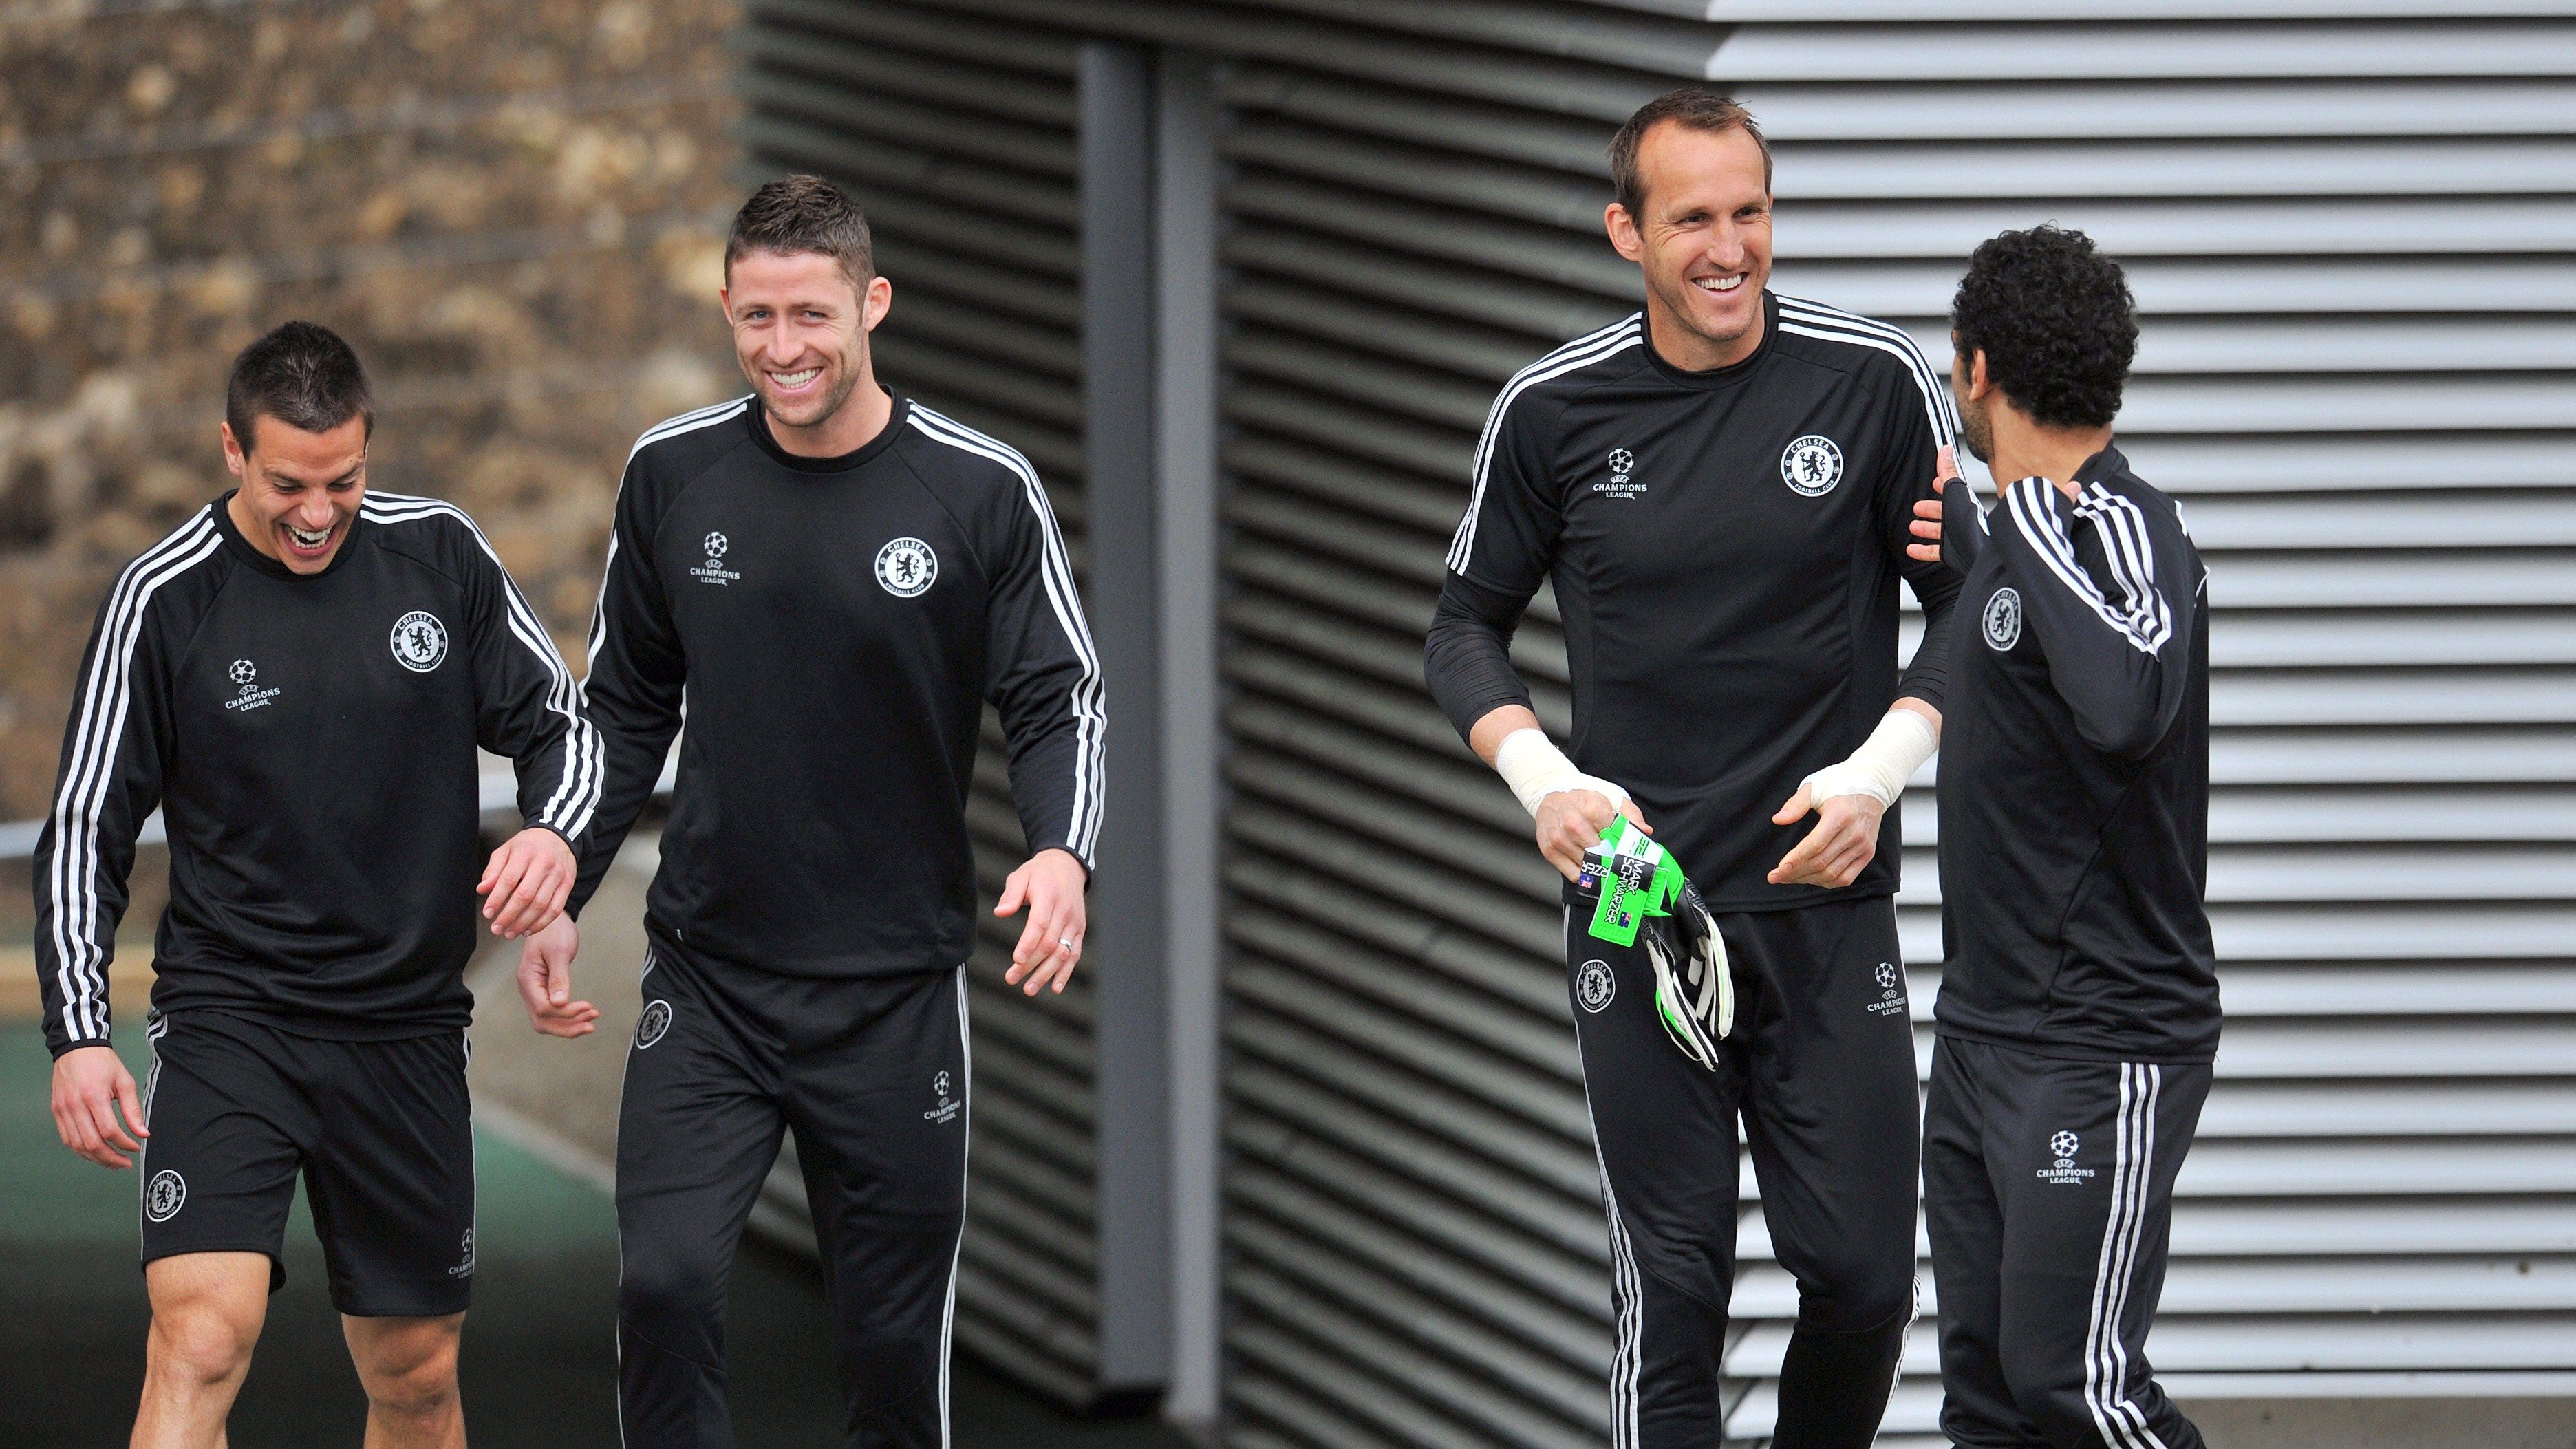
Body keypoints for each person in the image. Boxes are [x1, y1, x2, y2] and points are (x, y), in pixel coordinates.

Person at [1423, 89, 1962, 1448]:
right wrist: (1546, 783)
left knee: (1864, 1280)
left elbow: (1969, 609)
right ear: (1628, 232)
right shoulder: (1552, 410)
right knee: (1673, 1295)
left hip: (1827, 909)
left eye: (1751, 213)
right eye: (1694, 221)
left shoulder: (1871, 379)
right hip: (1637, 901)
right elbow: (1460, 629)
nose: (1729, 249)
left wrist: (1879, 776)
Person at [533, 173, 1102, 1448]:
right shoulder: (673, 474)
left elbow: (1061, 696)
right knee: (668, 1283)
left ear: (872, 304)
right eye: (754, 318)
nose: (782, 348)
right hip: (710, 979)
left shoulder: (980, 490)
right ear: (728, 313)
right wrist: (565, 879)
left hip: (893, 988)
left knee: (892, 1345)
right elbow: (623, 706)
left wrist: (1064, 852)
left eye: (810, 315)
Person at [34, 321, 599, 1448]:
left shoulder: (440, 556)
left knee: (418, 1375)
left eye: (343, 479)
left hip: (406, 1028)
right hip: (233, 1020)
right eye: (288, 481)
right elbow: (87, 822)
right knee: (198, 1337)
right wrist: (79, 1032)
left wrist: (557, 839)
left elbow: (565, 727)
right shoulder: (165, 599)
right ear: (232, 453)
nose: (316, 509)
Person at [1924, 224, 2216, 1449]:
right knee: (1991, 1401)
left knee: (2077, 1390)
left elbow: (2125, 702)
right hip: (1986, 1031)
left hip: (2099, 1043)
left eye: (1953, 369)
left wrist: (2023, 518)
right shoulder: (2026, 543)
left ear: (1981, 369)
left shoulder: (2124, 527)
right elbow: (2016, 697)